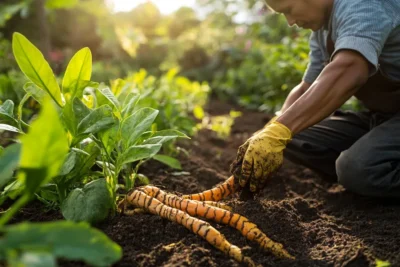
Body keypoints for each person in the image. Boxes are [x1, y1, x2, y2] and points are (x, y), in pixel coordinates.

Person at [230, 0, 400, 198]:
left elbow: (351, 68)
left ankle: (363, 170)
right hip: (385, 117)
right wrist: (270, 131)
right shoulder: (322, 31)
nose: (290, 22)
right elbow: (306, 87)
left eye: (289, 10)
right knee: (293, 137)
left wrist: (280, 130)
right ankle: (372, 166)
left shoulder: (363, 5)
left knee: (356, 169)